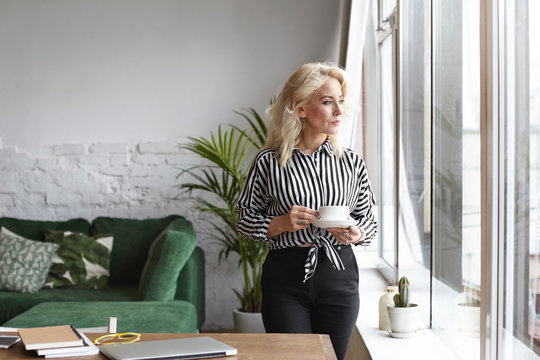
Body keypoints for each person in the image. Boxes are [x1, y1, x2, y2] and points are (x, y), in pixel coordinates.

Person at [236, 62, 378, 360]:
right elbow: (245, 221)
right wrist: (279, 223)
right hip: (286, 278)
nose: (339, 110)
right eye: (328, 102)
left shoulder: (352, 163)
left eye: (340, 100)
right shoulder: (268, 162)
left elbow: (370, 221)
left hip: (339, 276)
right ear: (301, 109)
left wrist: (357, 232)